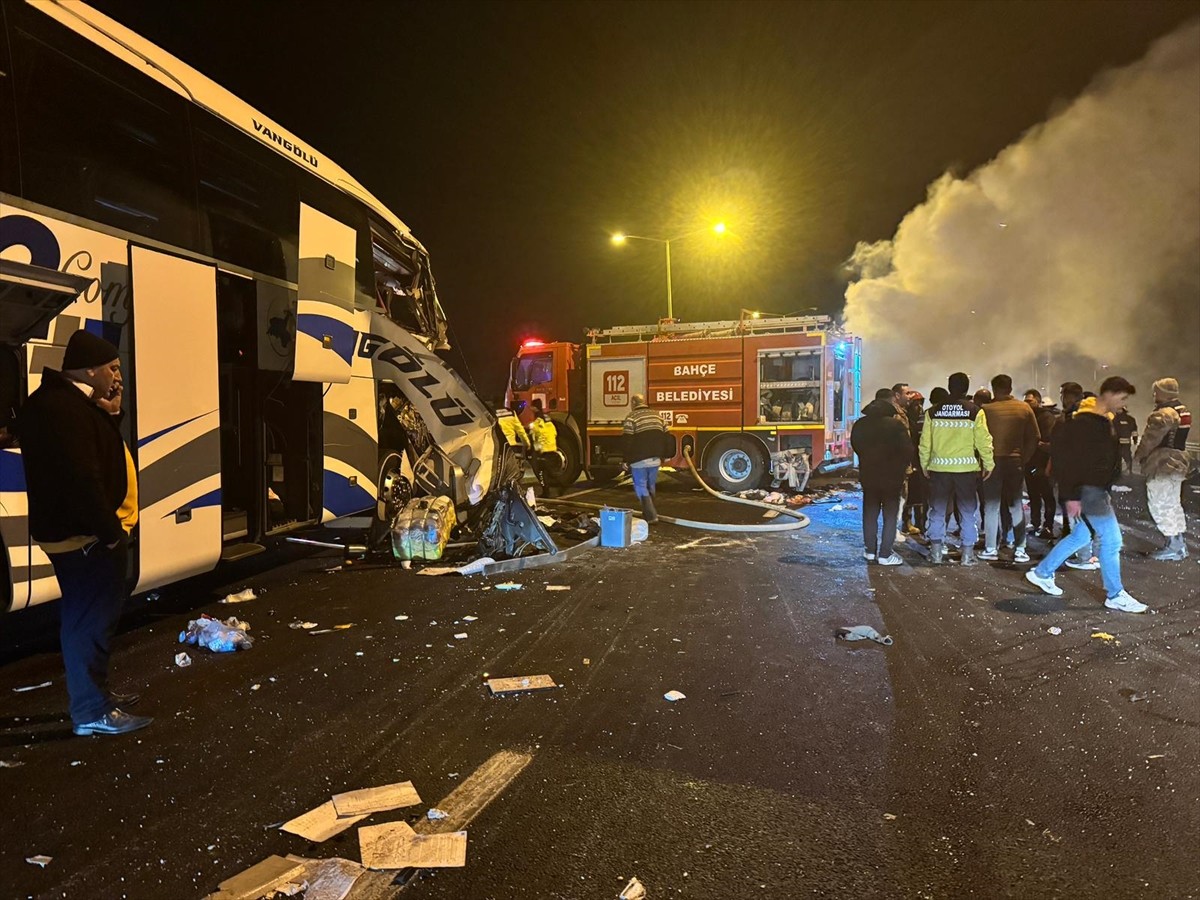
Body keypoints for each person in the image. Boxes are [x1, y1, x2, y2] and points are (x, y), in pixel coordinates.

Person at [16, 331, 152, 736]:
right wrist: (110, 534)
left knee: (88, 618)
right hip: (87, 539)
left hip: (86, 536)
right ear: (89, 369)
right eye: (112, 368)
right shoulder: (62, 409)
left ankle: (95, 695)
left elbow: (97, 452)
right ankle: (92, 710)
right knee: (89, 622)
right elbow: (82, 478)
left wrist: (112, 414)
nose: (118, 377)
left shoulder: (67, 403)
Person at [1024, 376, 1148, 613]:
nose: (1123, 404)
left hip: (1092, 490)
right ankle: (1115, 594)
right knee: (1111, 541)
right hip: (1089, 491)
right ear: (1109, 394)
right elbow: (1069, 461)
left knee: (1081, 536)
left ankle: (1042, 573)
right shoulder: (1086, 423)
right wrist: (1071, 496)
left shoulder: (1099, 421)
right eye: (1122, 398)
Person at [920, 373, 994, 565]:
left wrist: (924, 464)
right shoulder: (975, 411)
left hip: (939, 468)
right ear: (967, 388)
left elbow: (925, 443)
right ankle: (967, 555)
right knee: (968, 511)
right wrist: (988, 463)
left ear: (949, 386)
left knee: (937, 510)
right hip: (966, 470)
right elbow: (984, 441)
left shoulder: (932, 412)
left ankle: (935, 553)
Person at [979, 374, 1040, 563]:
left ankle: (990, 548)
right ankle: (1020, 548)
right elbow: (1035, 437)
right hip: (1015, 462)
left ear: (994, 388)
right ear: (1011, 388)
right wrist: (1024, 458)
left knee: (991, 506)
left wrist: (982, 461)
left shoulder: (985, 409)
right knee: (1015, 505)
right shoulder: (1024, 408)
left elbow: (978, 438)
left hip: (992, 463)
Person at [851, 389, 912, 565]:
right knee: (890, 515)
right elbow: (907, 451)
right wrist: (901, 467)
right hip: (892, 477)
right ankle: (885, 554)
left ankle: (870, 551)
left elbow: (856, 446)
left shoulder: (860, 425)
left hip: (869, 475)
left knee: (869, 513)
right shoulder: (895, 426)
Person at [1134, 377, 1191, 560]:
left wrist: (1139, 456)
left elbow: (1150, 439)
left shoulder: (1164, 413)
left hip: (1163, 462)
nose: (1154, 395)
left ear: (1164, 393)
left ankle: (1174, 547)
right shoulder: (1182, 410)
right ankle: (1178, 543)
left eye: (1156, 391)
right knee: (1172, 502)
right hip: (1178, 461)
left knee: (1160, 503)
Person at [621, 393, 667, 523]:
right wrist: (665, 455)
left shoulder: (631, 418)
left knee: (641, 486)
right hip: (655, 459)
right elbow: (667, 436)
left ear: (633, 403)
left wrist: (625, 460)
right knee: (650, 485)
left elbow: (627, 441)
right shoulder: (657, 415)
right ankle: (648, 513)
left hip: (639, 460)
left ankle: (651, 516)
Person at [1023, 389, 1060, 539]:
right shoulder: (1026, 416)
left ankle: (1048, 526)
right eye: (1025, 401)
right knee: (1033, 495)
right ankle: (1035, 522)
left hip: (1043, 463)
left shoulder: (1046, 418)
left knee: (1047, 495)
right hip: (1029, 462)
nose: (1027, 404)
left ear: (1038, 401)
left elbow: (1049, 442)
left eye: (1030, 401)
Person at [902, 391, 929, 534]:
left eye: (920, 403)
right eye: (915, 403)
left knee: (921, 495)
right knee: (908, 495)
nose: (918, 407)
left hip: (921, 460)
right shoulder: (904, 420)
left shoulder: (924, 418)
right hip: (910, 460)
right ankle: (906, 522)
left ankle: (922, 523)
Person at [527, 400, 561, 498]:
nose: (530, 408)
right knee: (549, 471)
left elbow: (536, 435)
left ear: (535, 407)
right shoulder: (547, 417)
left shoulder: (538, 420)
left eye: (532, 406)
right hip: (551, 447)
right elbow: (554, 432)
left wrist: (535, 447)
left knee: (540, 472)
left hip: (542, 450)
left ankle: (546, 492)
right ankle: (560, 486)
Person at [1112, 404, 1138, 475]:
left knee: (1117, 456)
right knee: (1126, 456)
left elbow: (1112, 431)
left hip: (1117, 442)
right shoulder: (1131, 419)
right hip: (1124, 442)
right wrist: (1135, 439)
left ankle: (1118, 471)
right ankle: (1128, 470)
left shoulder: (1114, 419)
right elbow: (1134, 431)